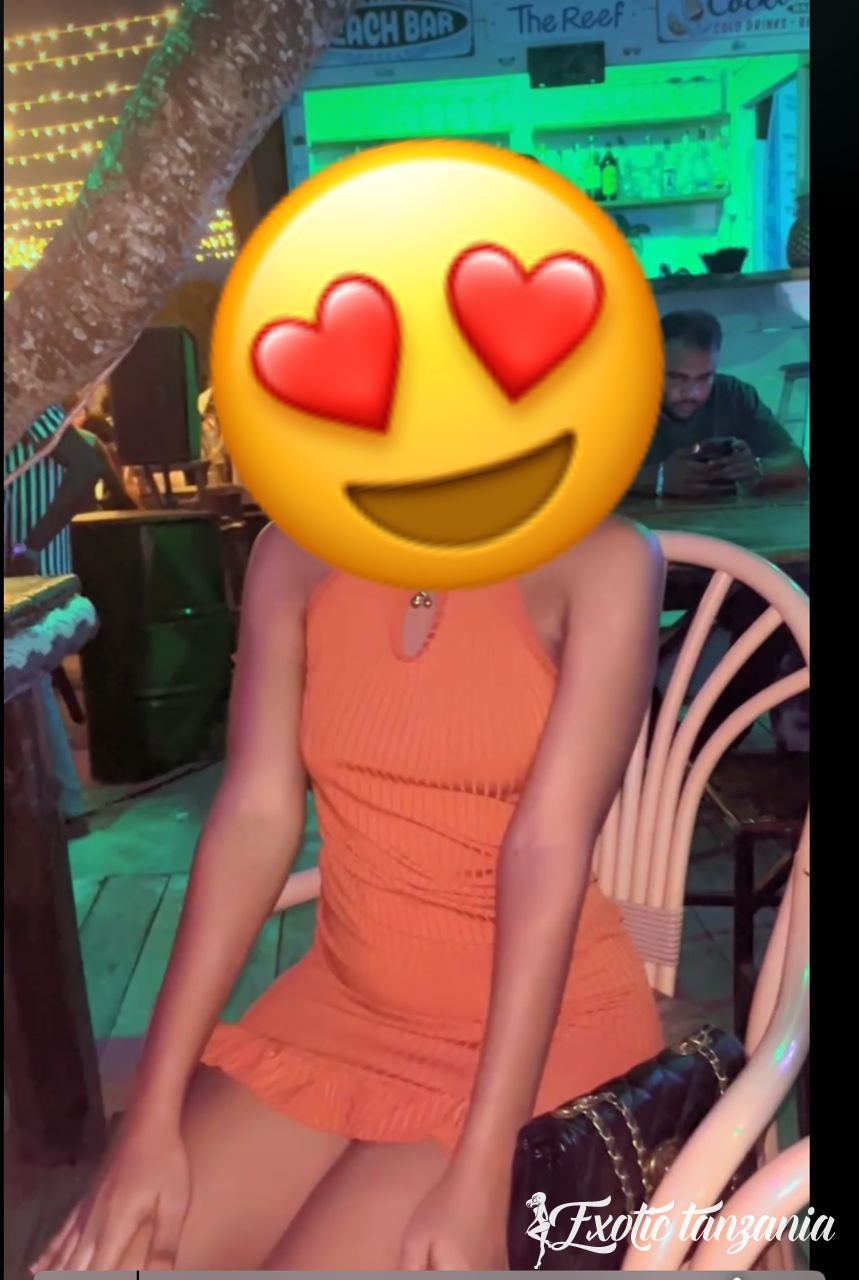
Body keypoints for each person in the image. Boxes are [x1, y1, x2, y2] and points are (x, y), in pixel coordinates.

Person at [36, 516, 666, 1272]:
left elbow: (544, 852)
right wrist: (149, 1117)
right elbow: (255, 817)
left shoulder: (603, 560)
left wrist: (485, 1168)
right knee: (110, 1262)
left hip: (541, 1035)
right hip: (339, 1012)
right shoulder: (293, 552)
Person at [5, 404, 104, 835]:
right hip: (17, 565)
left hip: (32, 566)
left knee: (27, 674)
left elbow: (86, 465)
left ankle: (65, 806)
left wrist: (31, 544)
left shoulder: (25, 403)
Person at [630, 310, 808, 498]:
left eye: (704, 378)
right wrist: (655, 479)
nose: (691, 393)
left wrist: (756, 468)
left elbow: (797, 464)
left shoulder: (734, 394)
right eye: (677, 378)